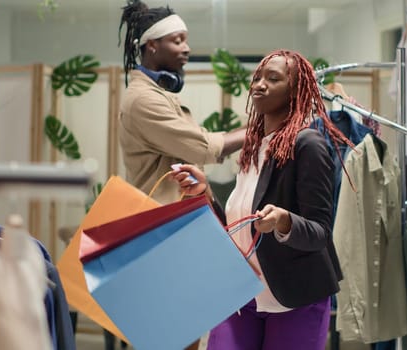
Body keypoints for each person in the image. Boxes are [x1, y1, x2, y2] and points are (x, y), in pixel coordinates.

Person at [173, 49, 353, 350]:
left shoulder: (309, 145)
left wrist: (284, 221)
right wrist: (204, 192)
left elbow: (320, 233)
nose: (259, 84)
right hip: (243, 293)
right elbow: (239, 225)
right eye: (257, 77)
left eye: (273, 78)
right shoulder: (253, 147)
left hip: (294, 296)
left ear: (295, 90)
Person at [117, 0, 246, 205]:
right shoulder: (143, 99)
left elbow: (198, 141)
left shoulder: (157, 93)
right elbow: (203, 148)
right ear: (152, 45)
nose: (187, 49)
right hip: (157, 219)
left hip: (171, 216)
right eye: (178, 41)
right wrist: (262, 127)